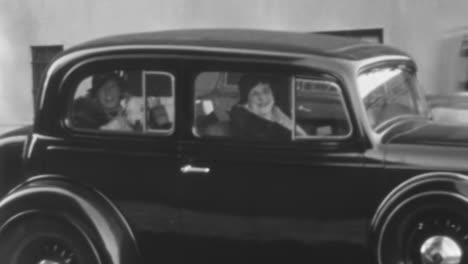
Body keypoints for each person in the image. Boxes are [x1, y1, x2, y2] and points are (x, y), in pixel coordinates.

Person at [230, 74, 306, 140]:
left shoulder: (277, 112)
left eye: (266, 91)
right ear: (246, 102)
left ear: (273, 94)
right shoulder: (246, 124)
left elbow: (302, 137)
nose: (262, 97)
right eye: (255, 94)